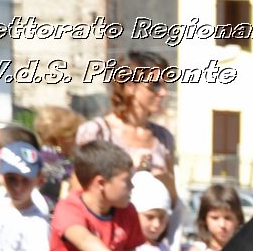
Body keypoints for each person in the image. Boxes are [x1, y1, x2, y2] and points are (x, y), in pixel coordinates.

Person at [75, 51, 179, 206]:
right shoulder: (97, 132)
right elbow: (79, 192)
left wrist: (166, 181)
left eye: (165, 85)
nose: (163, 93)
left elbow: (173, 202)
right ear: (130, 86)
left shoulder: (164, 138)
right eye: (155, 85)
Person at [34, 106, 84, 206]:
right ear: (64, 136)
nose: (78, 141)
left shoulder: (35, 157)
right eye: (75, 135)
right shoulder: (65, 167)